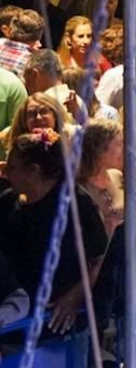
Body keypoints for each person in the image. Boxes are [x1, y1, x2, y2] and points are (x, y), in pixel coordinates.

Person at [0, 130, 107, 336]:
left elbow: (101, 259)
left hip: (60, 326)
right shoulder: (6, 203)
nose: (5, 173)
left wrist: (75, 296)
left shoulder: (75, 202)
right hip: (17, 324)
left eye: (12, 167)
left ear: (33, 170)